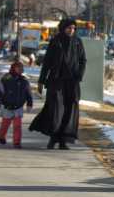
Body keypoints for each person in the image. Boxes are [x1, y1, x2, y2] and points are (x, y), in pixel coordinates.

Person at [31, 18, 87, 149]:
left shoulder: (78, 42)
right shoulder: (56, 41)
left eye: (73, 28)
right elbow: (47, 62)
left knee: (69, 109)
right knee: (56, 109)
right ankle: (53, 138)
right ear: (63, 28)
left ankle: (63, 140)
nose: (71, 30)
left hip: (72, 82)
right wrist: (41, 80)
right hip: (56, 82)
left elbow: (83, 60)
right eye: (69, 28)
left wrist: (79, 75)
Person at [0, 61, 35, 146]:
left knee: (17, 126)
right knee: (5, 125)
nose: (20, 70)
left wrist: (29, 104)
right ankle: (1, 136)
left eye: (21, 68)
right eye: (18, 68)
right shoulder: (6, 79)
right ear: (13, 68)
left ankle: (17, 142)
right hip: (6, 106)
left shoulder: (24, 81)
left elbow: (28, 93)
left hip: (18, 107)